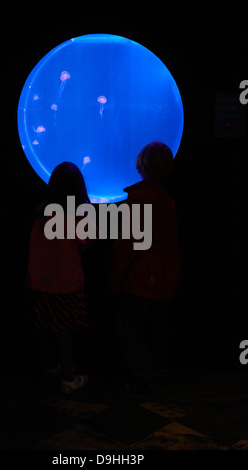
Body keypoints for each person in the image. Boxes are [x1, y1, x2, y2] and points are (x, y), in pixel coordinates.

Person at [108, 141, 181, 391]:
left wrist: (115, 279)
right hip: (165, 278)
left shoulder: (137, 201)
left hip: (140, 278)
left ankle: (146, 374)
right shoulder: (168, 200)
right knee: (160, 328)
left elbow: (125, 246)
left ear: (141, 164)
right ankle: (159, 371)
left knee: (129, 328)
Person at [26, 162, 92, 394]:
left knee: (44, 325)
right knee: (64, 329)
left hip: (39, 281)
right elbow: (86, 241)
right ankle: (67, 378)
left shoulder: (41, 211)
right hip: (65, 283)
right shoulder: (79, 215)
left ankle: (51, 365)